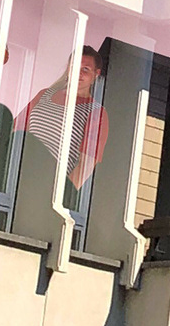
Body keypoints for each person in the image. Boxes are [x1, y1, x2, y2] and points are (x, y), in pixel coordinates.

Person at [20, 45, 109, 210]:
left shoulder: (96, 113)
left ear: (96, 75)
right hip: (19, 178)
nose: (79, 73)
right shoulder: (44, 95)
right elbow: (16, 132)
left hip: (47, 191)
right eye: (75, 67)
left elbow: (86, 164)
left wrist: (59, 200)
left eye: (85, 69)